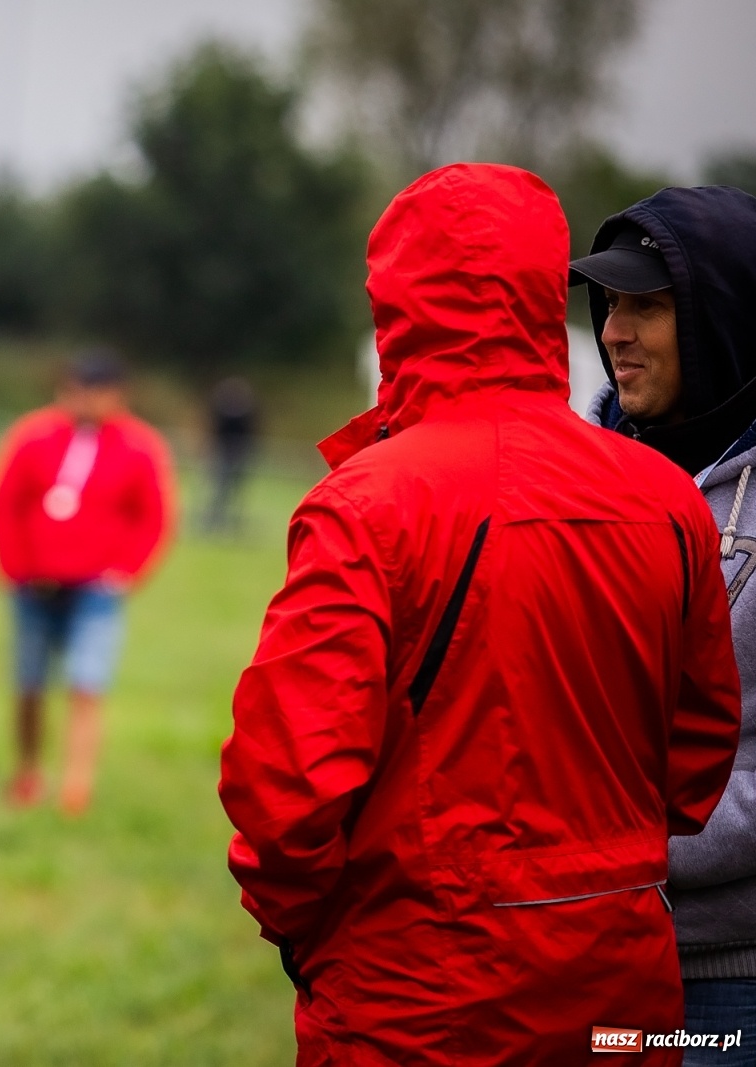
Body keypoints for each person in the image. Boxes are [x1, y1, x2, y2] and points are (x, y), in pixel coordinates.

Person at [218, 163, 742, 1066]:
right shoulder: (667, 498)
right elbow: (696, 757)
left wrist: (312, 932)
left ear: (397, 302)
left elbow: (286, 784)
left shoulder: (369, 501)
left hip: (420, 984)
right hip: (622, 984)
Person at [575, 184, 756, 1064]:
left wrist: (620, 841)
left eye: (645, 306)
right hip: (592, 957)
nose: (613, 332)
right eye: (609, 303)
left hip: (732, 978)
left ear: (722, 317)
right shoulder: (579, 484)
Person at [0, 351, 174, 815]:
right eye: (74, 390)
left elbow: (153, 517)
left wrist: (127, 572)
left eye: (94, 392)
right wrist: (13, 565)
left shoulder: (140, 446)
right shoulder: (33, 436)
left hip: (96, 589)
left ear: (117, 395)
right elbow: (6, 502)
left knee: (86, 683)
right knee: (29, 683)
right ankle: (28, 772)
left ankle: (76, 786)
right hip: (34, 584)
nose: (83, 401)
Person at [202, 375, 258, 533]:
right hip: (224, 452)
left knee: (236, 490)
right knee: (219, 488)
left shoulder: (244, 411)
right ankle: (215, 519)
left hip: (239, 453)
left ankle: (232, 521)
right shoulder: (224, 409)